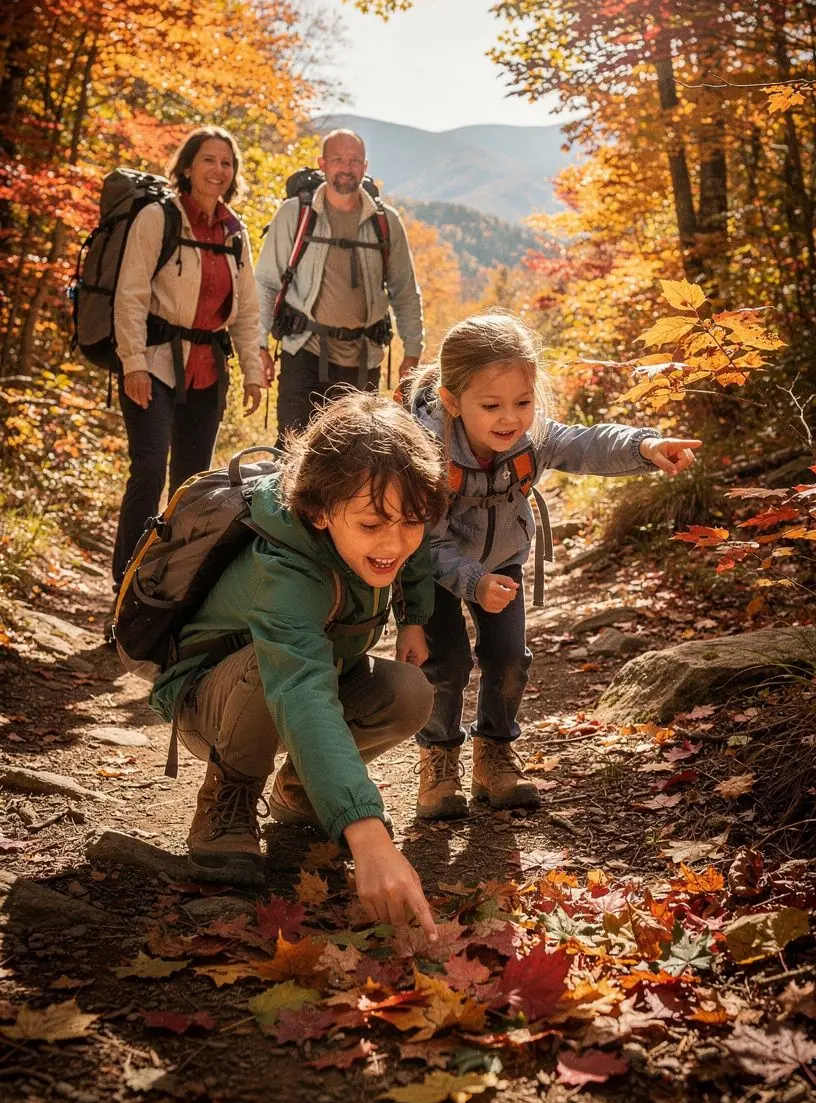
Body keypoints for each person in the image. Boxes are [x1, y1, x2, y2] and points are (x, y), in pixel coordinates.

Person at [147, 392, 448, 934]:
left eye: (410, 520)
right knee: (271, 672)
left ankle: (301, 790)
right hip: (218, 698)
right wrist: (367, 833)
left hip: (311, 675)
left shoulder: (386, 527)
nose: (394, 541)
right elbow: (300, 690)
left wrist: (413, 617)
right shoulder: (283, 567)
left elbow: (415, 547)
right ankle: (229, 792)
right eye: (373, 524)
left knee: (409, 693)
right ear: (317, 511)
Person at [408, 313, 702, 821]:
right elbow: (422, 543)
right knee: (446, 664)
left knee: (508, 658)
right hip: (432, 573)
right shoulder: (424, 450)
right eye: (492, 405)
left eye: (522, 402)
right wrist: (473, 584)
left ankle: (493, 755)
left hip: (503, 563)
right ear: (453, 401)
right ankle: (438, 758)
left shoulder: (531, 436)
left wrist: (645, 446)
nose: (510, 418)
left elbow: (586, 443)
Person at [111, 127, 263, 606]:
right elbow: (130, 295)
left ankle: (169, 596)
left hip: (209, 372)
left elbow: (248, 312)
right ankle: (125, 591)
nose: (218, 170)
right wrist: (133, 363)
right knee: (150, 468)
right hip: (153, 363)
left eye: (227, 162)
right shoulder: (159, 219)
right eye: (209, 160)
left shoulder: (235, 234)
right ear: (188, 166)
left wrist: (255, 373)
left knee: (191, 487)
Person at [255, 129, 423, 437]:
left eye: (354, 160)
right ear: (322, 164)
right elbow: (265, 282)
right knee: (294, 454)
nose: (346, 168)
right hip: (304, 351)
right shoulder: (296, 213)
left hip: (363, 358)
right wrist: (258, 345)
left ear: (365, 166)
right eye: (337, 159)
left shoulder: (386, 222)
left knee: (354, 461)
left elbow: (405, 291)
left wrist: (412, 351)